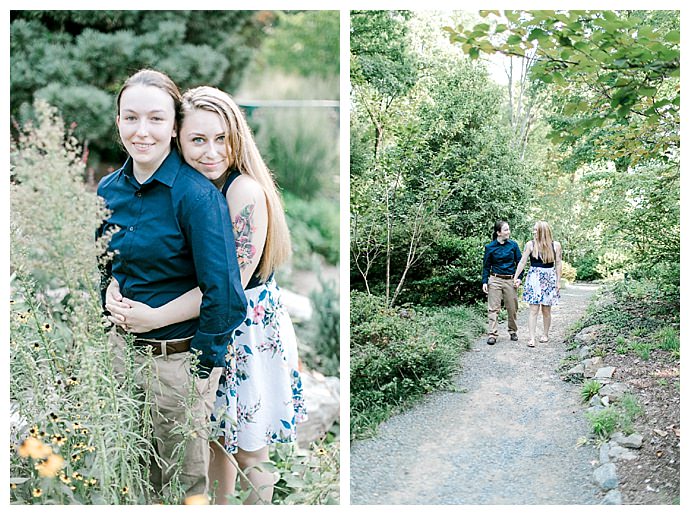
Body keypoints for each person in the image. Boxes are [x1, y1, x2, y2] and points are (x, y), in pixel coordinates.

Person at [105, 86, 307, 505]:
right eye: (198, 139)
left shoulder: (243, 192)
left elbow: (227, 287)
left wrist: (152, 317)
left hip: (245, 326)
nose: (210, 152)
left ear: (237, 138)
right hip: (204, 326)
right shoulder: (188, 186)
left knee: (249, 448)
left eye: (221, 139)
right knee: (213, 439)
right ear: (179, 137)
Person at [96, 69, 247, 502]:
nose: (141, 132)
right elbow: (103, 260)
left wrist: (201, 372)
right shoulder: (109, 189)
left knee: (184, 487)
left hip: (178, 364)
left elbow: (225, 294)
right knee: (128, 474)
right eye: (130, 118)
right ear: (119, 121)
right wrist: (107, 289)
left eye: (156, 119)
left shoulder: (196, 197)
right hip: (121, 356)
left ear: (174, 127)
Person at [513, 220, 562, 348]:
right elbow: (523, 262)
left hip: (549, 278)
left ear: (542, 231)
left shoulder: (555, 245)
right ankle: (532, 338)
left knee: (546, 310)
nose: (533, 231)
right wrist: (516, 276)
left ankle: (545, 334)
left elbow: (558, 263)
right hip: (534, 278)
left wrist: (558, 281)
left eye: (535, 229)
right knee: (533, 309)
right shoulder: (530, 244)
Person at [481, 220, 523, 345]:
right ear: (498, 233)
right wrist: (484, 281)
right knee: (493, 308)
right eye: (505, 230)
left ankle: (513, 331)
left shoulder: (513, 246)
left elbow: (520, 263)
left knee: (512, 307)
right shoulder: (490, 247)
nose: (508, 232)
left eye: (508, 229)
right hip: (495, 279)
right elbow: (486, 266)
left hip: (510, 280)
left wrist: (519, 278)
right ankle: (492, 334)